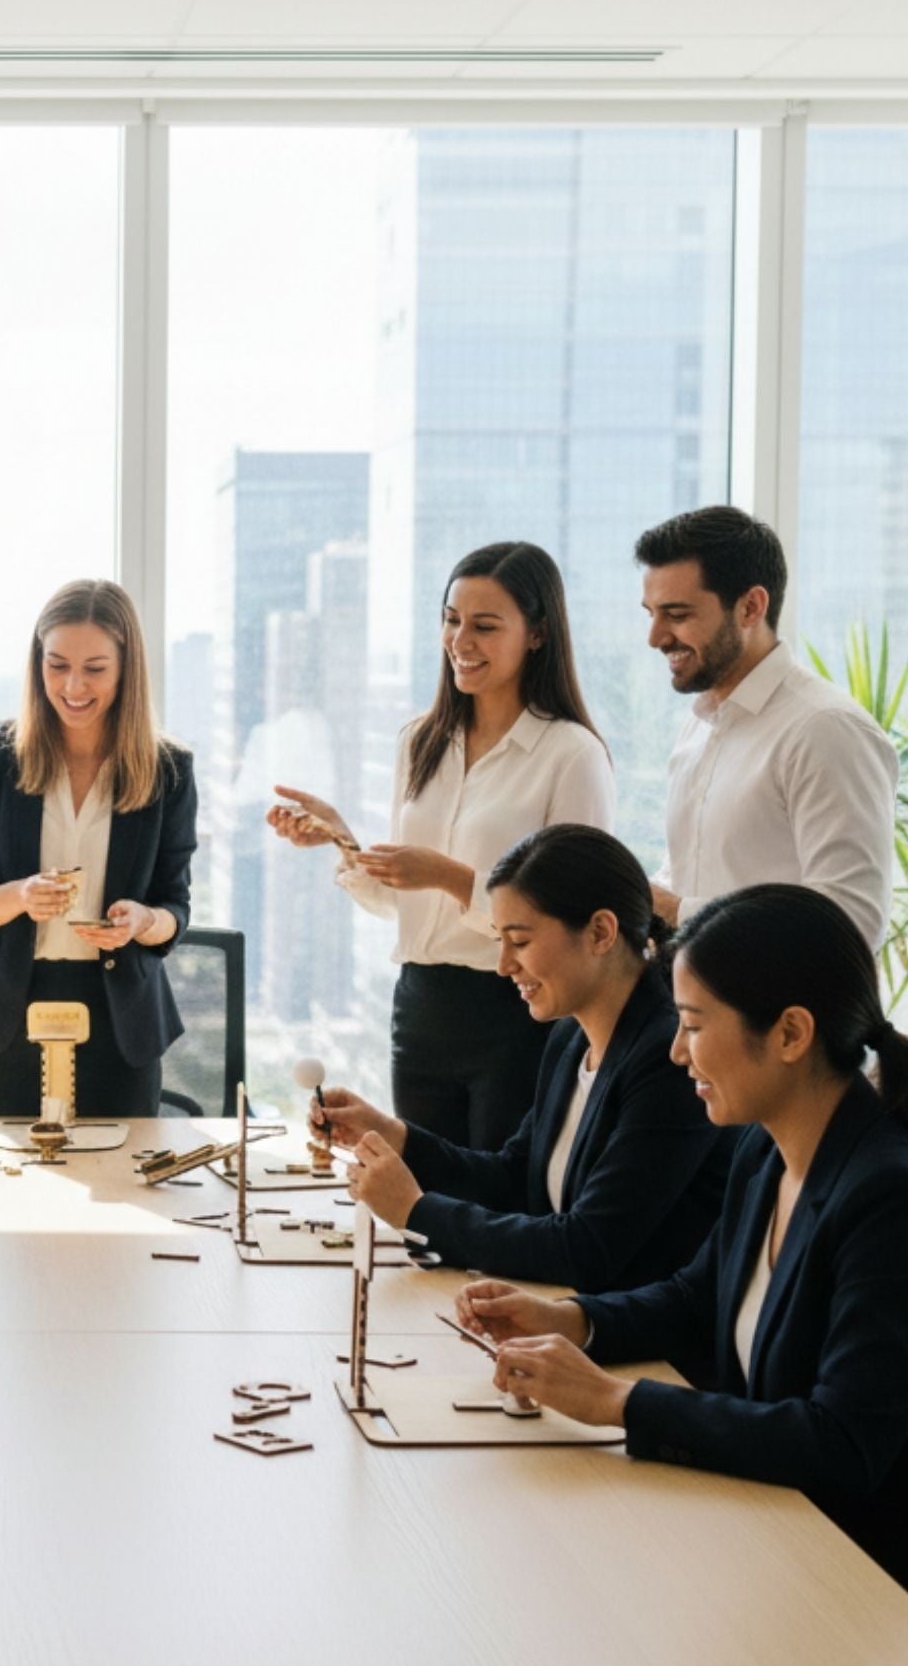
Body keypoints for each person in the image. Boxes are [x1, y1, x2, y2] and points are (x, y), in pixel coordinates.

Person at [456, 884, 908, 1587]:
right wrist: (571, 1319)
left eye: (693, 1024)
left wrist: (617, 1402)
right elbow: (697, 1299)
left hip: (847, 1581)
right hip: (757, 1530)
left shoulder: (886, 1194)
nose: (674, 1052)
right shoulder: (765, 1147)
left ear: (791, 1034)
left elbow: (844, 1442)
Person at [269, 541, 614, 1148]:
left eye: (484, 626)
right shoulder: (420, 740)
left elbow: (575, 920)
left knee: (495, 1206)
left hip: (517, 1010)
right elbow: (408, 904)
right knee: (426, 1205)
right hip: (421, 1006)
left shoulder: (571, 754)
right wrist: (340, 838)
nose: (461, 641)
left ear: (537, 634)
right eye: (451, 620)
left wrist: (450, 877)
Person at [318, 824, 729, 1294]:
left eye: (520, 941)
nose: (504, 965)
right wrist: (395, 1137)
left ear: (600, 932)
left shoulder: (669, 1058)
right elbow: (515, 1178)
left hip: (642, 1347)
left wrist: (415, 1212)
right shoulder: (570, 1036)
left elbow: (587, 1247)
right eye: (500, 941)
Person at [0, 579, 196, 1117]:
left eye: (95, 669)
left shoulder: (169, 770)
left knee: (117, 1188)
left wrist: (142, 922)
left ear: (127, 668)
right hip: (4, 1017)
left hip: (118, 1018)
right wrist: (21, 896)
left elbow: (176, 906)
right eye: (57, 665)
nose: (73, 686)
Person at [638, 505, 898, 951]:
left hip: (786, 1018)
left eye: (677, 615)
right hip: (697, 1011)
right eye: (651, 614)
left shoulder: (826, 730)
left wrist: (677, 909)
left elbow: (851, 922)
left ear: (751, 607)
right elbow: (689, 872)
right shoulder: (699, 726)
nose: (656, 637)